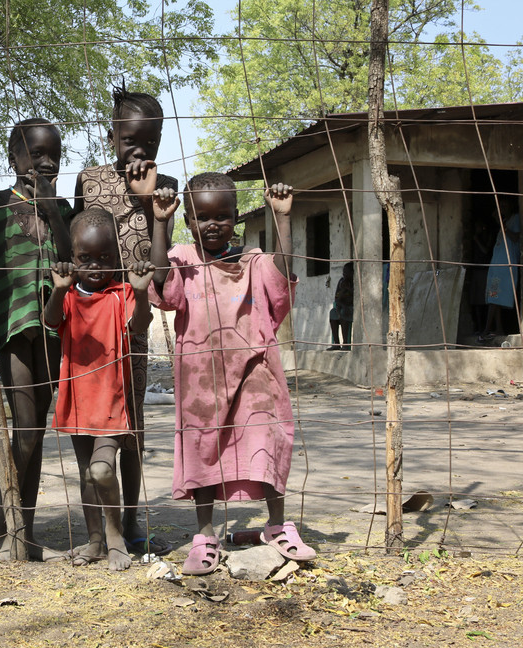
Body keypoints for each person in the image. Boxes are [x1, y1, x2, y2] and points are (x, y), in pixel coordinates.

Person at [148, 173, 316, 576]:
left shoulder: (254, 262)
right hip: (201, 382)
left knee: (269, 438)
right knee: (204, 449)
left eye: (223, 216)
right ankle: (205, 534)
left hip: (256, 375)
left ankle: (276, 523)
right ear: (189, 219)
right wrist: (159, 222)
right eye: (202, 216)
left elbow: (282, 276)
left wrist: (282, 219)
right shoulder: (183, 262)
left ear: (237, 217)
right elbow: (161, 286)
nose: (213, 224)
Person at [71, 84, 177, 557]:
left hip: (133, 324)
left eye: (150, 143)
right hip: (87, 326)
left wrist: (148, 201)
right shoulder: (88, 181)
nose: (140, 150)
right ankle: (97, 530)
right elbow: (76, 249)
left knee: (131, 430)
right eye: (131, 139)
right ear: (112, 136)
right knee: (87, 426)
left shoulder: (164, 187)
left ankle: (131, 522)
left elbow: (160, 268)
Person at [0, 118, 72, 561]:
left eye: (54, 155)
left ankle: (21, 530)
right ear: (14, 159)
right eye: (35, 154)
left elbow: (71, 258)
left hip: (52, 332)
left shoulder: (63, 209)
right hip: (11, 329)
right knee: (25, 428)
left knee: (36, 431)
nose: (45, 162)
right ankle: (4, 525)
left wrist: (51, 208)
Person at [43, 208, 155, 571]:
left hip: (112, 400)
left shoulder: (121, 293)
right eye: (84, 258)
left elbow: (140, 325)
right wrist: (58, 291)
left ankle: (115, 534)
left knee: (102, 470)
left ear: (118, 257)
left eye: (104, 258)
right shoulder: (68, 296)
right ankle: (94, 540)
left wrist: (141, 294)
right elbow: (50, 321)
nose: (94, 266)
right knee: (85, 473)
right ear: (72, 258)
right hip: (76, 400)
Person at [480, 199, 521, 342]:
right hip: (497, 264)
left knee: (494, 296)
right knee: (493, 297)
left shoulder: (515, 219)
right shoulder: (505, 221)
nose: (502, 208)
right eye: (501, 205)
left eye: (505, 204)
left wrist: (502, 225)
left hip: (505, 265)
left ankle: (486, 329)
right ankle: (498, 328)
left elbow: (515, 238)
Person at [329, 262, 354, 350]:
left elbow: (357, 296)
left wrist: (348, 289)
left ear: (352, 273)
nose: (344, 274)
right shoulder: (342, 281)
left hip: (353, 307)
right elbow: (337, 297)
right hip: (342, 305)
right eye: (343, 272)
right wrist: (340, 306)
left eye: (346, 272)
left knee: (344, 313)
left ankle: (346, 344)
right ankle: (336, 343)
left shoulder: (355, 281)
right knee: (333, 313)